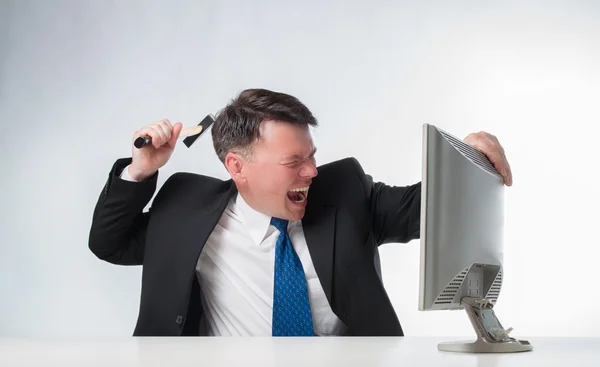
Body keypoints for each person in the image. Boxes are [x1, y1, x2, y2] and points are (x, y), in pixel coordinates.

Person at [89, 88, 513, 337]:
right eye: (294, 162)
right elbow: (110, 243)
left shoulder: (345, 194)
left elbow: (429, 208)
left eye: (311, 155)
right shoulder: (185, 208)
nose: (311, 171)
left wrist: (469, 159)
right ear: (237, 166)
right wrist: (139, 171)